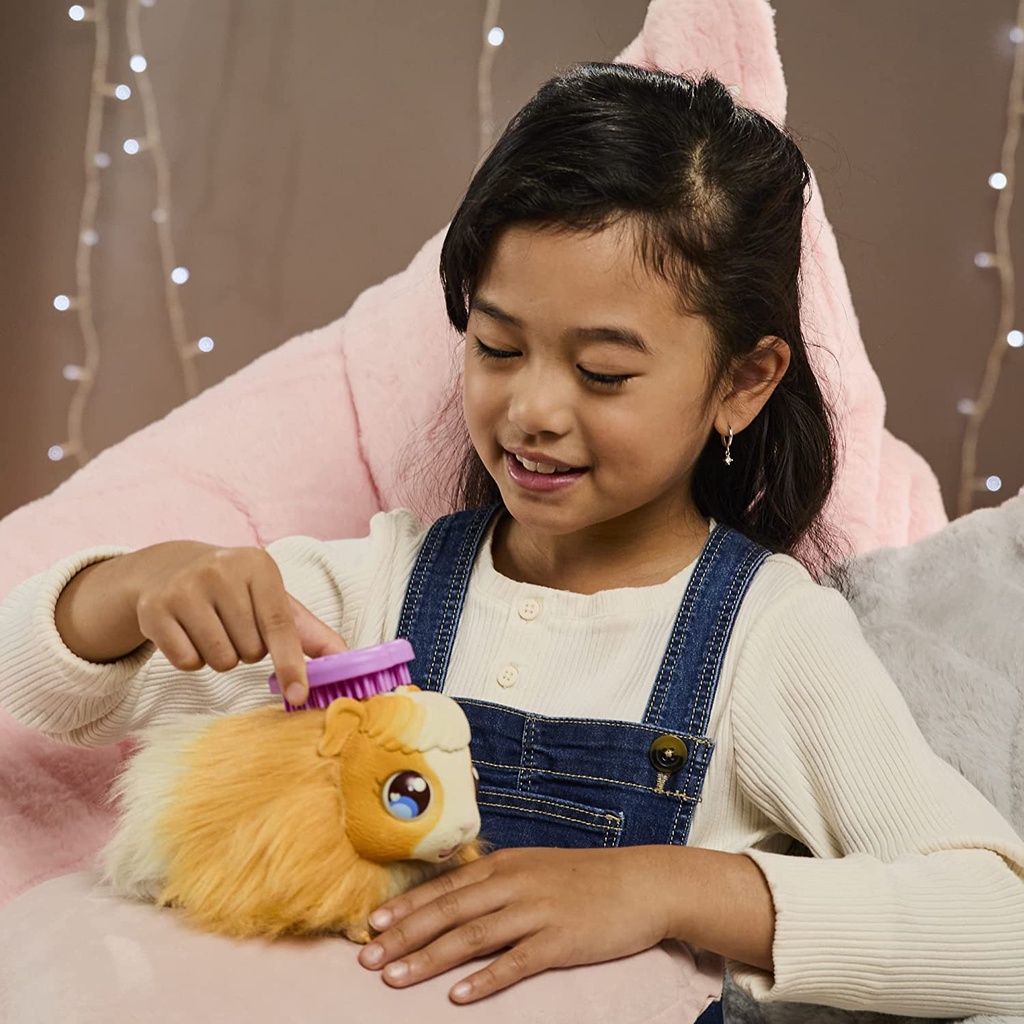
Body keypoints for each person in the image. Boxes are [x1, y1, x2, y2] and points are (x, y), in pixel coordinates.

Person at [1, 63, 1022, 1019]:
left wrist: (669, 887)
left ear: (742, 383)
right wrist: (132, 587)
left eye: (603, 373)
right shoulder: (375, 594)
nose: (531, 410)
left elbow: (999, 926)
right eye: (496, 347)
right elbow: (40, 685)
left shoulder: (769, 640)